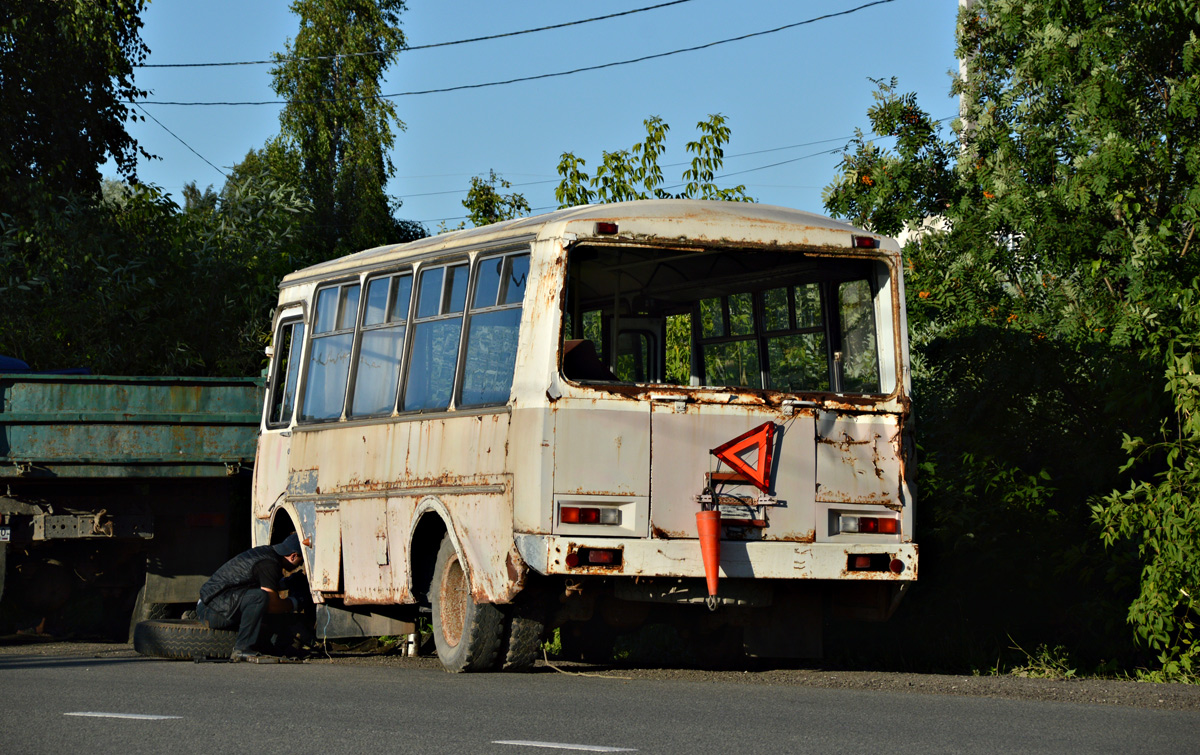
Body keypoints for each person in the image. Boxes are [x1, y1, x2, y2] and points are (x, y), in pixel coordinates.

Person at [196, 533, 306, 661]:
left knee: (260, 601)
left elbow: (253, 584)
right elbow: (272, 605)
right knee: (260, 598)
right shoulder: (269, 563)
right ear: (293, 556)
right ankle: (242, 649)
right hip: (210, 611)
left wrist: (288, 583)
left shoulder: (267, 554)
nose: (299, 565)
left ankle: (267, 646)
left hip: (214, 605)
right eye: (301, 561)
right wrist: (295, 602)